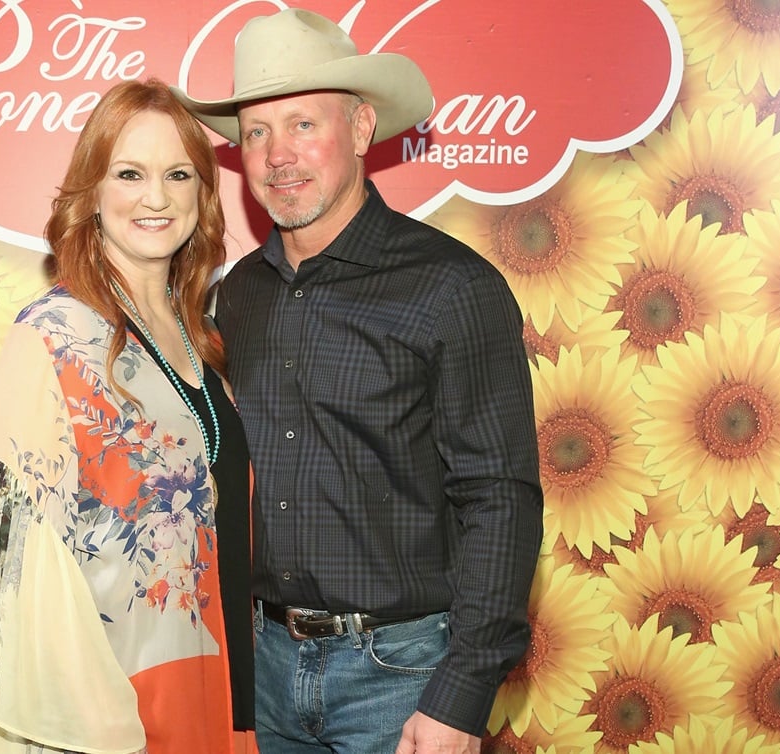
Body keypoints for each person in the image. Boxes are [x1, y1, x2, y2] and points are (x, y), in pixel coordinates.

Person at [174, 9, 543, 754]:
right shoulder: (238, 296)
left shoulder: (452, 288)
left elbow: (499, 498)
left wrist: (460, 697)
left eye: (303, 124)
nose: (279, 154)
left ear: (363, 127)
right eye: (255, 132)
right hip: (265, 669)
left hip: (402, 675)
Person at [0, 78, 254, 754]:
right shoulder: (50, 339)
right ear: (93, 194)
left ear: (202, 195)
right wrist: (103, 728)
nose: (156, 197)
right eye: (130, 173)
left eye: (178, 174)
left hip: (224, 684)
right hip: (117, 704)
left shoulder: (202, 335)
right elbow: (19, 570)